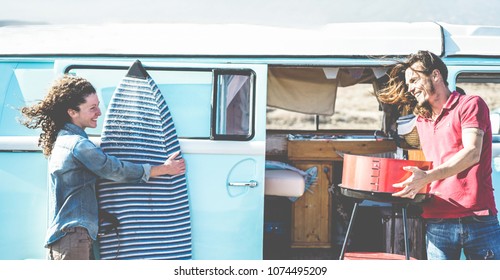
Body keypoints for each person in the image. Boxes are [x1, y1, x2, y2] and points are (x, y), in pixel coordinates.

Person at [20, 75, 186, 260]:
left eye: (98, 105)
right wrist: (163, 169)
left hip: (70, 237)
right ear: (72, 112)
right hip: (74, 238)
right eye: (92, 108)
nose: (99, 112)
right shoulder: (78, 145)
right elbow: (114, 170)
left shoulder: (63, 141)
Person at [381, 50, 500, 260]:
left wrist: (427, 178)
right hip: (437, 219)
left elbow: (472, 152)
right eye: (408, 83)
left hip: (478, 217)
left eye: (414, 80)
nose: (410, 88)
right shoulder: (421, 121)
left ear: (435, 75)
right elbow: (431, 163)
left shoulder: (470, 104)